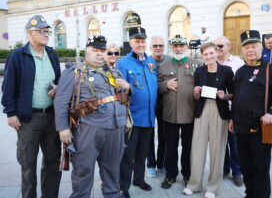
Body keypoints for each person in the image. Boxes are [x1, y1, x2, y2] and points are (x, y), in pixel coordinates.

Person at [54, 35, 129, 198]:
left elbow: (124, 95)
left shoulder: (114, 72)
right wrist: (63, 128)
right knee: (83, 171)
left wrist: (128, 87)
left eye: (102, 50)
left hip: (115, 129)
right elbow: (60, 101)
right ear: (86, 52)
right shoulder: (74, 72)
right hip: (89, 129)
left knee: (112, 171)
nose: (99, 54)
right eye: (95, 50)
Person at [1, 15, 61, 198]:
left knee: (53, 162)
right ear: (30, 33)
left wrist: (57, 88)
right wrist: (11, 113)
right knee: (28, 164)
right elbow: (7, 87)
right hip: (28, 119)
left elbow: (59, 80)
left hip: (51, 117)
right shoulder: (18, 56)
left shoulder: (52, 54)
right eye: (41, 31)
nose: (45, 34)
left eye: (47, 31)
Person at [230, 30, 272, 198]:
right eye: (246, 47)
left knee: (260, 170)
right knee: (246, 168)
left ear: (261, 48)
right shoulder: (241, 71)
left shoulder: (271, 70)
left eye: (254, 46)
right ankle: (250, 194)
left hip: (260, 130)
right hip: (240, 129)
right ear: (242, 50)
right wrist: (232, 118)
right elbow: (237, 96)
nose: (250, 50)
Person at [182, 43, 234, 198]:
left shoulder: (227, 71)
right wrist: (196, 92)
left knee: (217, 151)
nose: (209, 57)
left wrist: (223, 96)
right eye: (206, 54)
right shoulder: (199, 71)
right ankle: (194, 184)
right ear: (202, 56)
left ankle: (212, 188)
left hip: (220, 112)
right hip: (202, 111)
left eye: (212, 53)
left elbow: (232, 93)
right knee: (197, 149)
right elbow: (197, 97)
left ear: (216, 53)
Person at [116, 27, 157, 198]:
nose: (140, 44)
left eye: (142, 41)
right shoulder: (123, 63)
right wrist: (129, 88)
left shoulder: (151, 62)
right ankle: (123, 187)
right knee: (128, 155)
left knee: (143, 152)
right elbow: (119, 91)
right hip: (132, 118)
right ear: (131, 42)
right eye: (137, 41)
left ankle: (139, 179)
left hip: (148, 117)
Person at [158, 34, 199, 189]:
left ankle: (188, 175)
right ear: (172, 48)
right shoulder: (163, 66)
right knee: (171, 147)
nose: (179, 48)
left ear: (186, 47)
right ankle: (170, 175)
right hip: (170, 114)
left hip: (189, 113)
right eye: (175, 46)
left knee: (188, 147)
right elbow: (157, 86)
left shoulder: (196, 64)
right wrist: (165, 86)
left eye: (181, 45)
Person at [214, 36, 244, 186]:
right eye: (215, 46)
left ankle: (237, 172)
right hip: (216, 110)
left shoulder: (238, 63)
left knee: (235, 143)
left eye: (220, 45)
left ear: (228, 46)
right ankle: (224, 168)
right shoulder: (211, 63)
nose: (217, 48)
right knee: (221, 143)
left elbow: (241, 88)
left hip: (233, 108)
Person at [146, 35, 171, 178]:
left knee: (164, 134)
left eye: (160, 45)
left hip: (165, 101)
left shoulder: (169, 60)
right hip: (149, 102)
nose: (158, 48)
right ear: (151, 48)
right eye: (155, 45)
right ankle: (150, 165)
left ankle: (161, 163)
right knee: (149, 134)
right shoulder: (146, 61)